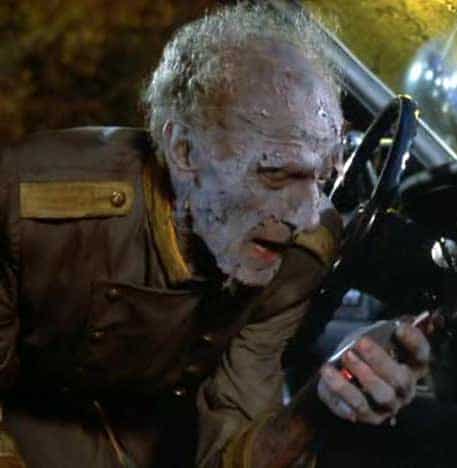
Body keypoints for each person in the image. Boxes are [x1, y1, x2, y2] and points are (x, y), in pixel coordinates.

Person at [0, 3, 430, 467]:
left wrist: (322, 403)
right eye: (275, 174)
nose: (307, 217)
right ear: (184, 151)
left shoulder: (300, 256)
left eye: (321, 178)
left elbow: (233, 449)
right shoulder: (29, 209)